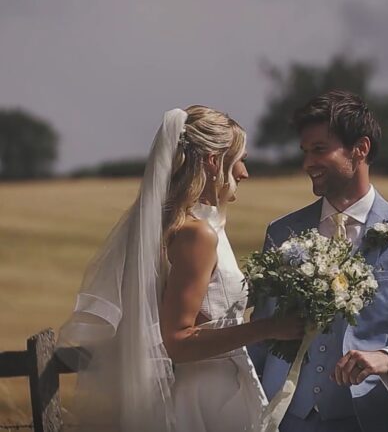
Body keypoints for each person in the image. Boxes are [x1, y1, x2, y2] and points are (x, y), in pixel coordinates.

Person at [58, 106, 304, 432]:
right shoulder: (197, 234)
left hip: (224, 384)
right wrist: (268, 328)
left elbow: (211, 309)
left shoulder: (200, 225)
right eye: (240, 159)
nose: (244, 172)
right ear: (213, 161)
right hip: (209, 396)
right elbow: (177, 340)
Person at [249, 90, 388, 432]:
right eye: (305, 151)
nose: (307, 163)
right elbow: (260, 334)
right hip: (282, 419)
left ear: (360, 148)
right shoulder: (283, 231)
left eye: (320, 149)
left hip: (366, 420)